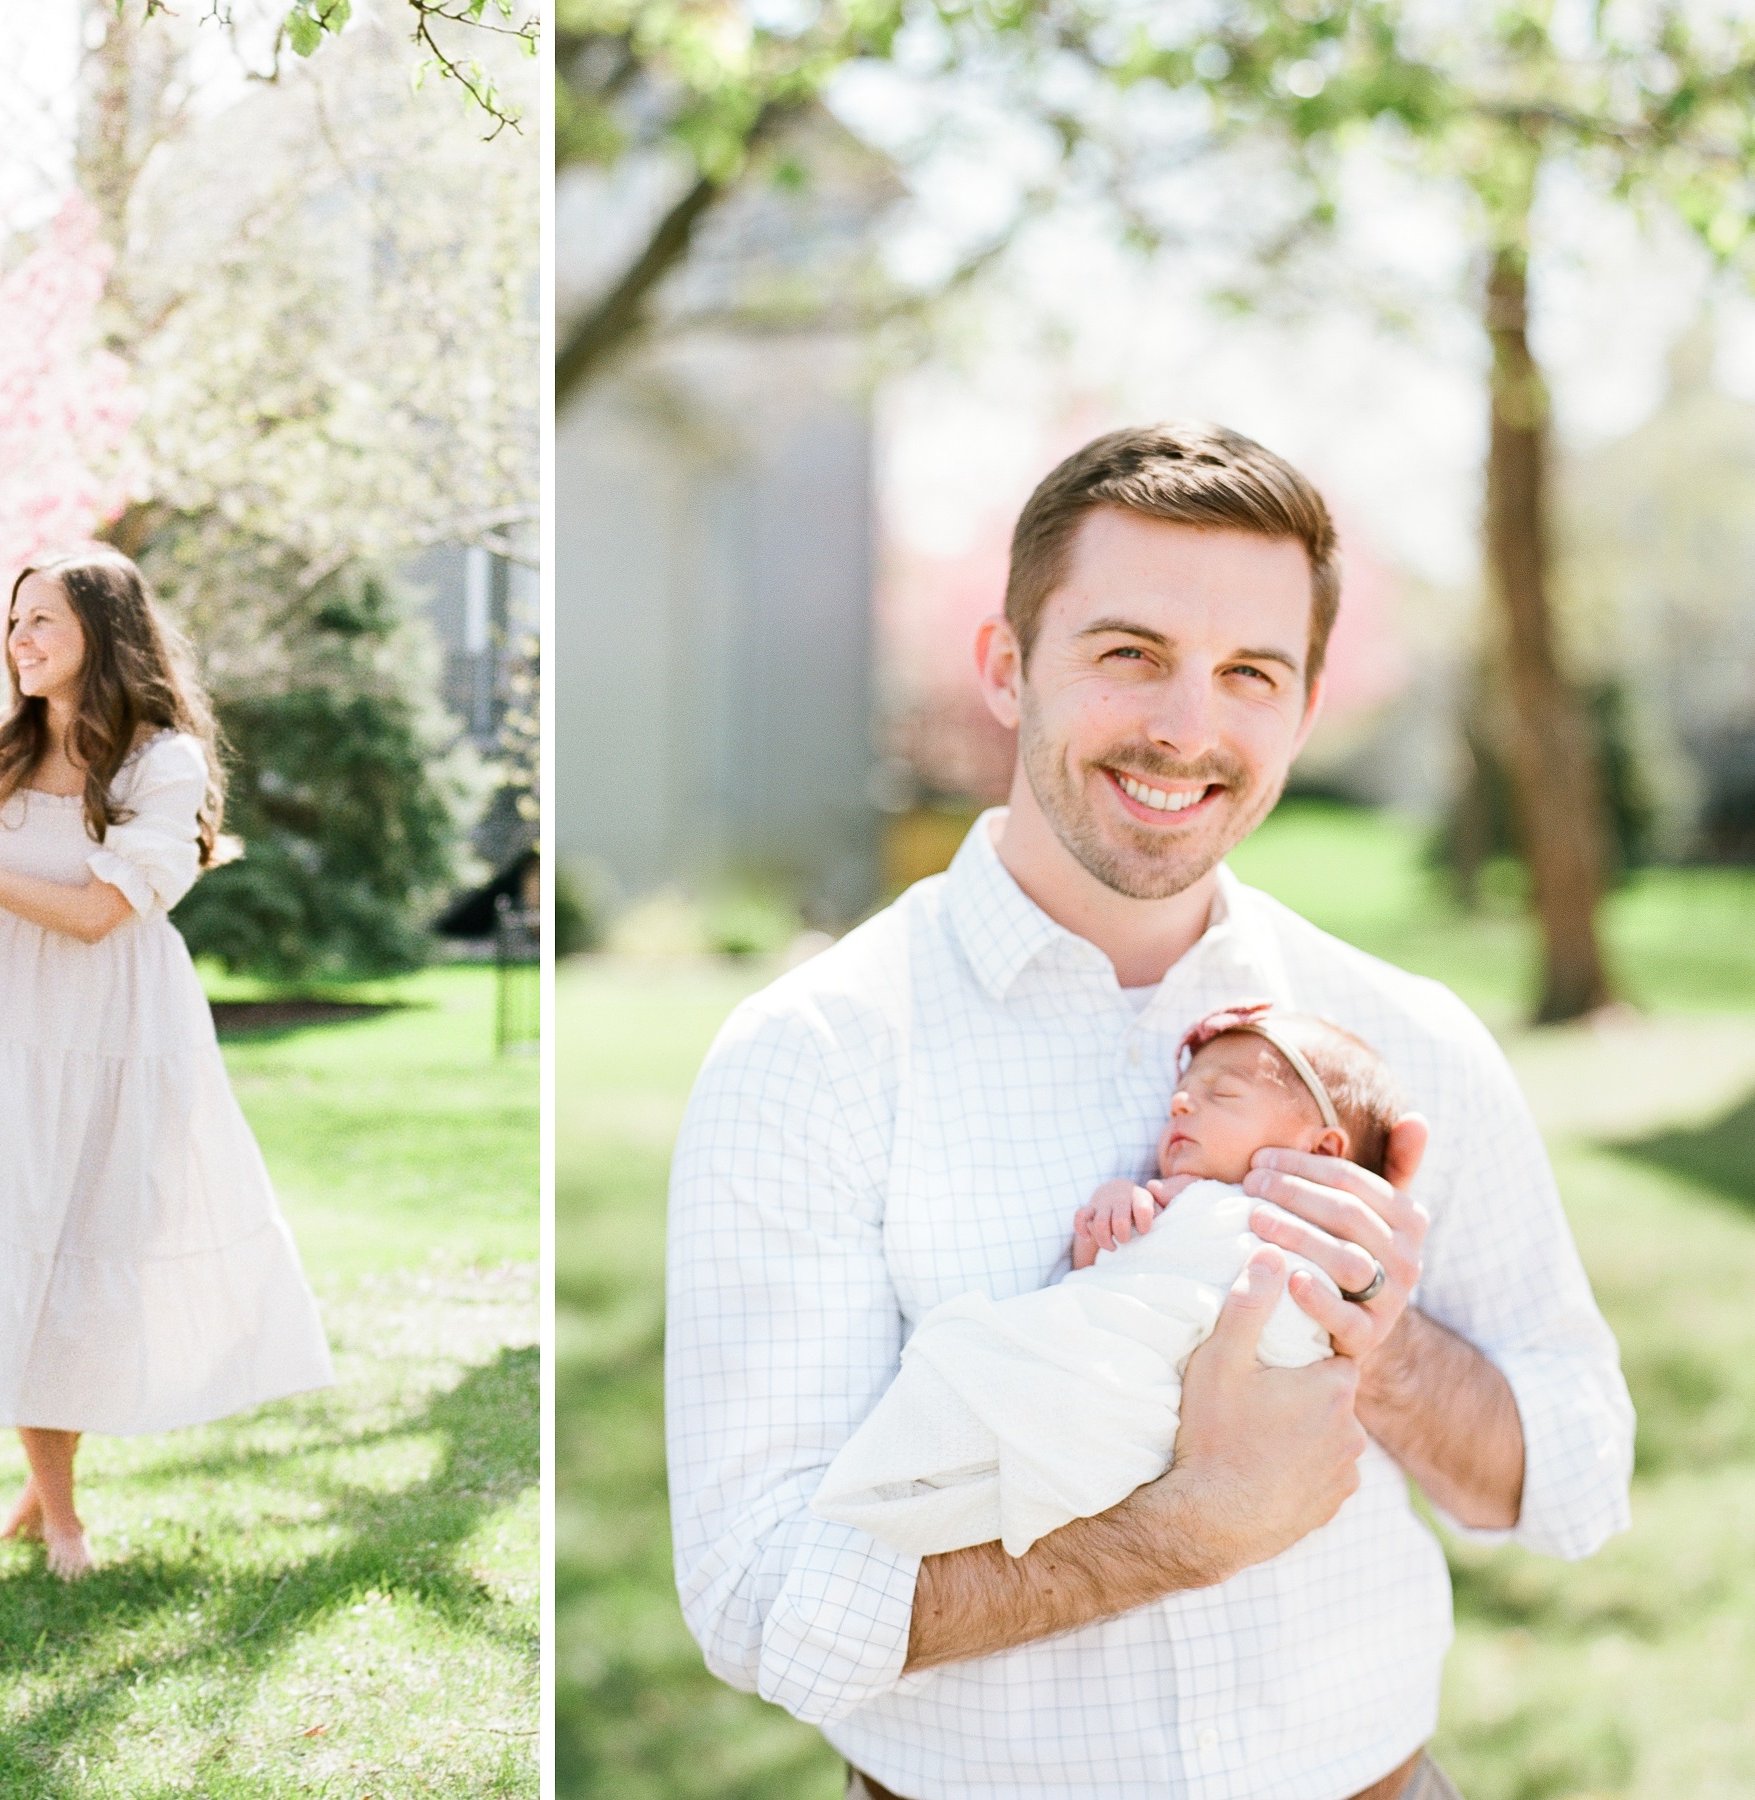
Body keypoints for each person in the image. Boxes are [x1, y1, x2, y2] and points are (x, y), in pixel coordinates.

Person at [665, 424, 1634, 1800]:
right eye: (1128, 654)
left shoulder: (1402, 1038)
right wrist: (1182, 1533)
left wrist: (1383, 1349)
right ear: (1006, 670)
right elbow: (754, 1594)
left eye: (1248, 673)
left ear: (1300, 711)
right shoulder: (811, 1056)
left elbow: (1576, 1480)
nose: (1186, 729)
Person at [0, 546, 334, 1580]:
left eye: (43, 621)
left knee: (104, 1244)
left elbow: (98, 915)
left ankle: (45, 1486)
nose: (21, 642)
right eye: (14, 623)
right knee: (21, 1226)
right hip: (11, 1022)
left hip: (128, 1027)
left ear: (104, 632)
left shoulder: (161, 761)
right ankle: (64, 1514)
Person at [811, 1004, 1398, 1560]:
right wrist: (1114, 1212)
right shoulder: (1166, 1200)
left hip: (1222, 1403)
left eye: (1223, 1095)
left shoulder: (1320, 1236)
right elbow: (1105, 1280)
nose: (1183, 1105)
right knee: (977, 1359)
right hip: (1120, 1361)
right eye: (1180, 1096)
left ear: (1320, 1150)